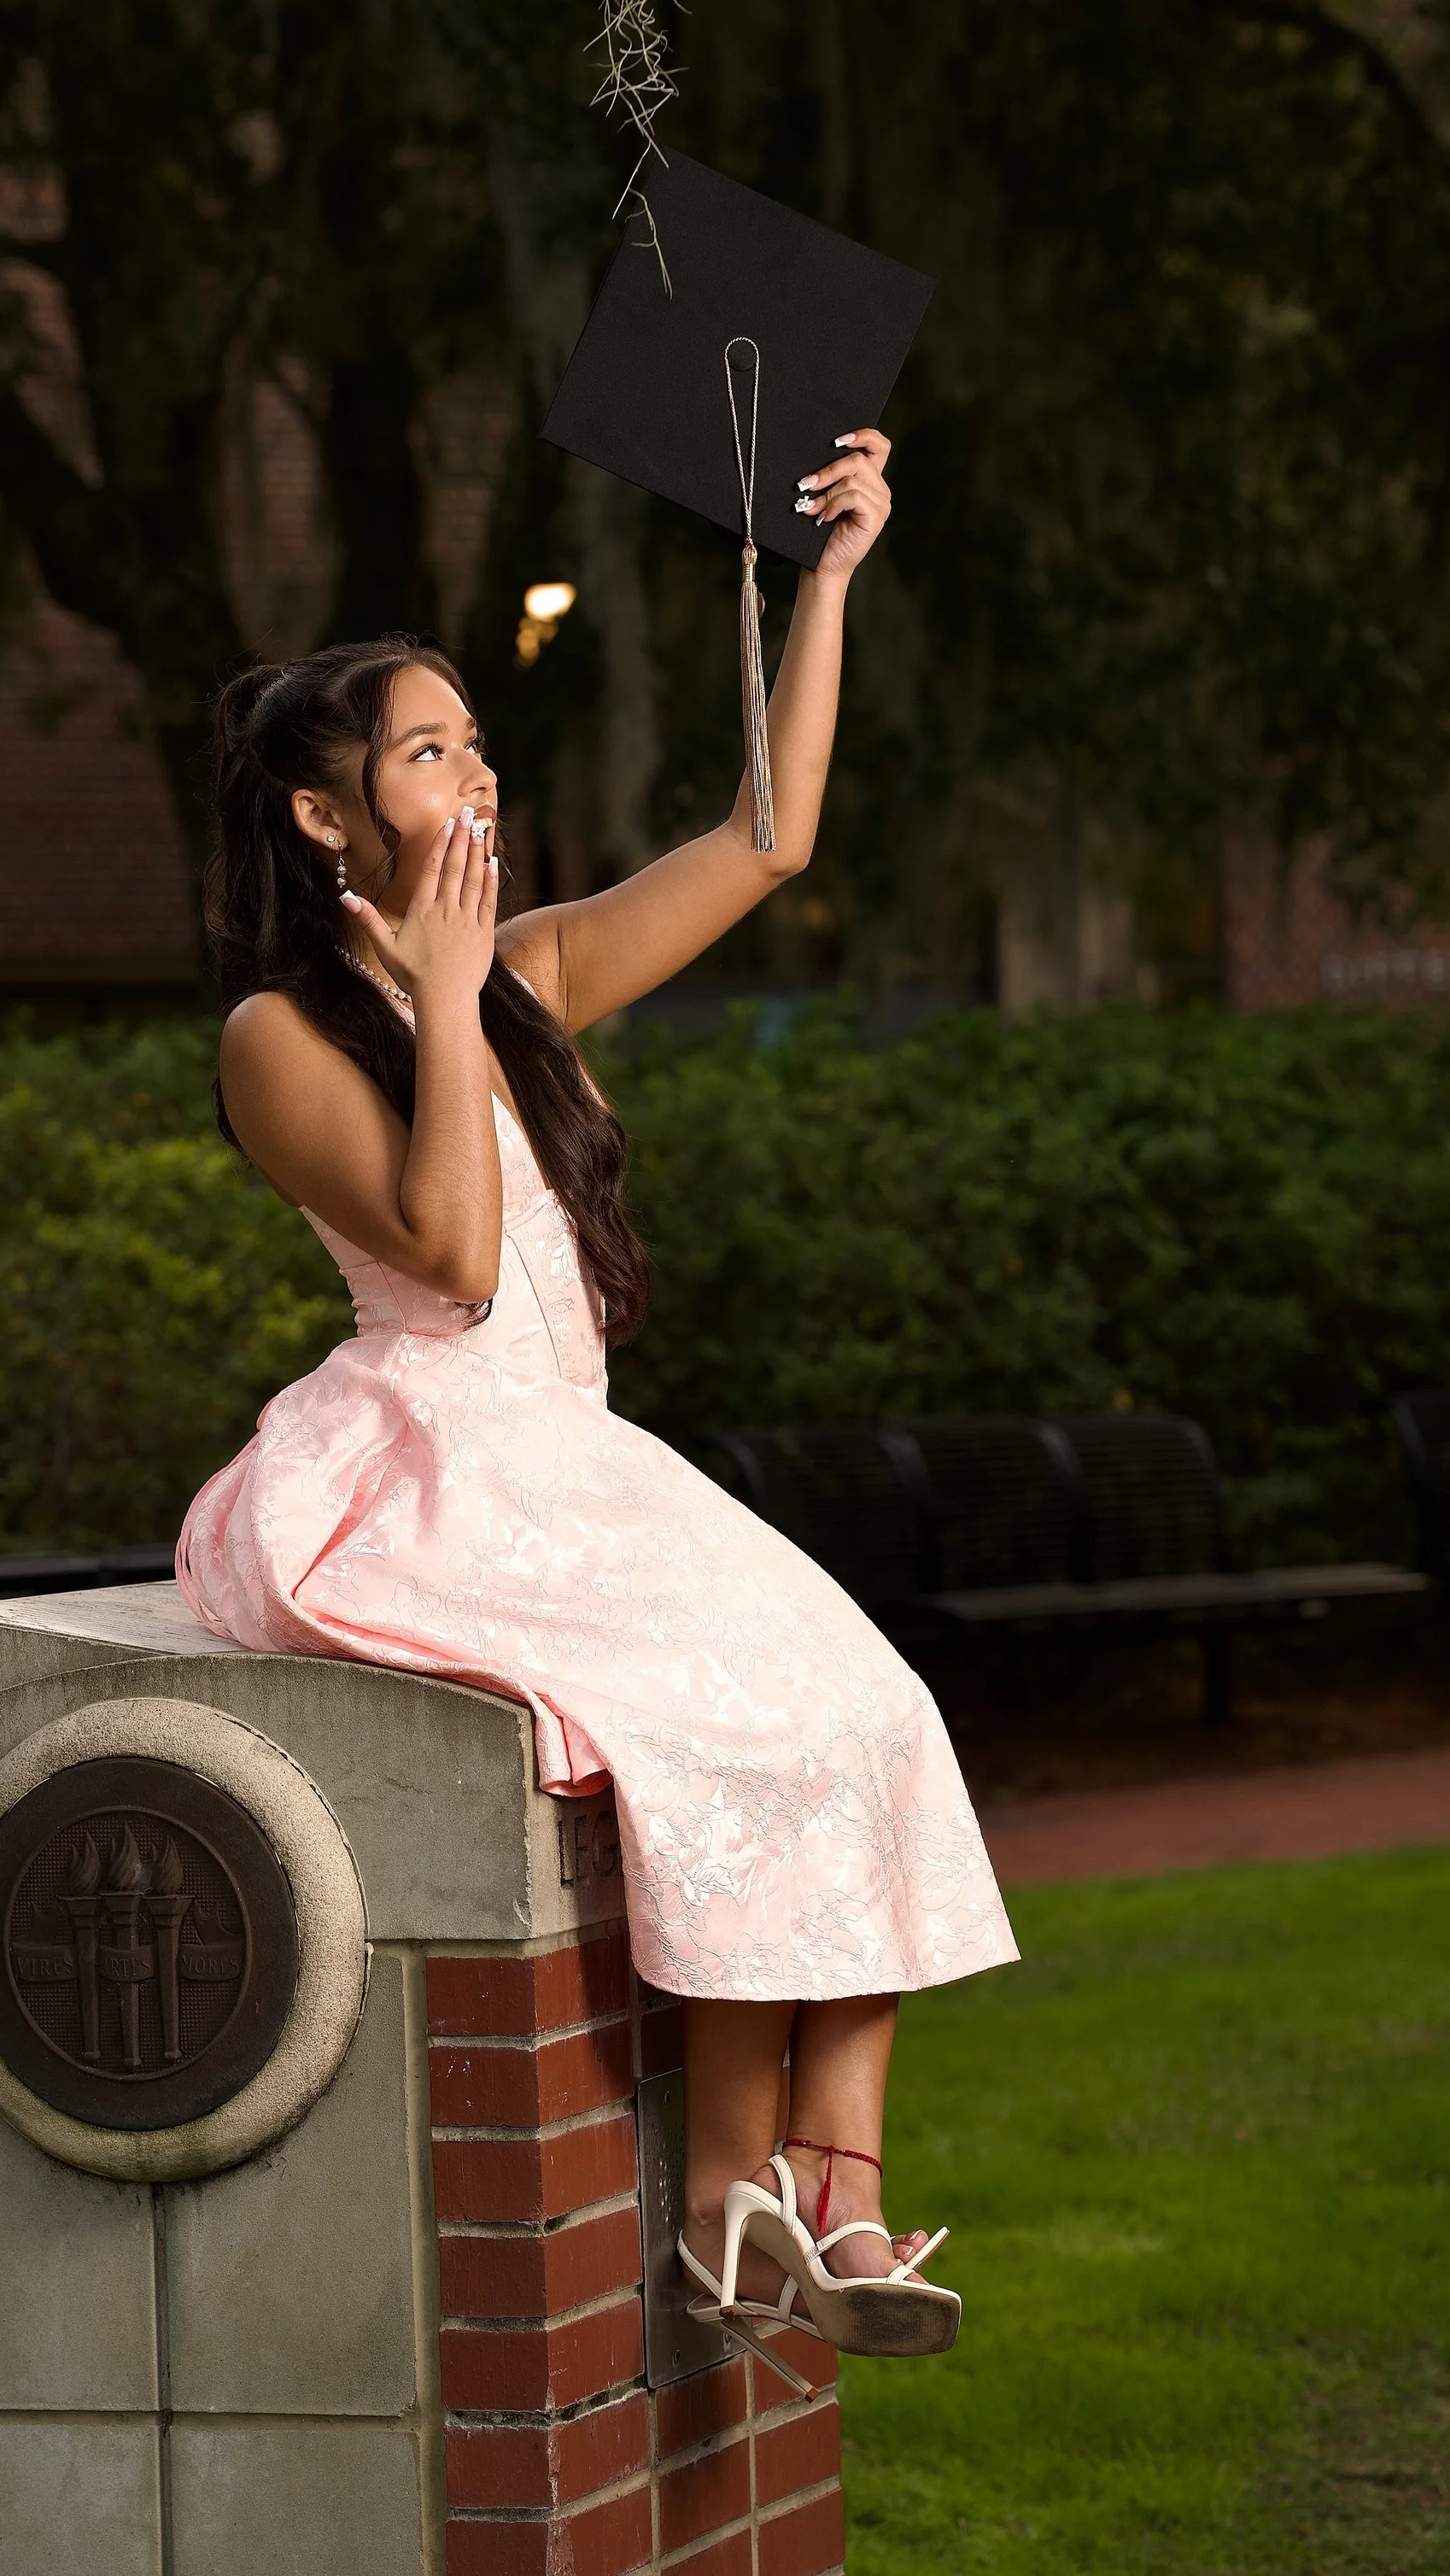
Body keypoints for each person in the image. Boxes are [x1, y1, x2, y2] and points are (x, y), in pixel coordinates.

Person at [177, 428, 1017, 2356]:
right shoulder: (275, 1034)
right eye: (425, 752)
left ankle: (811, 2195)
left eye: (475, 742)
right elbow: (452, 1261)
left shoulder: (530, 972)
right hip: (432, 1466)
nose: (473, 772)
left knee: (855, 1700)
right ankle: (741, 2193)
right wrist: (456, 998)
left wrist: (826, 580)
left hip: (575, 1456)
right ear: (324, 821)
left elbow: (768, 839)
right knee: (720, 1722)